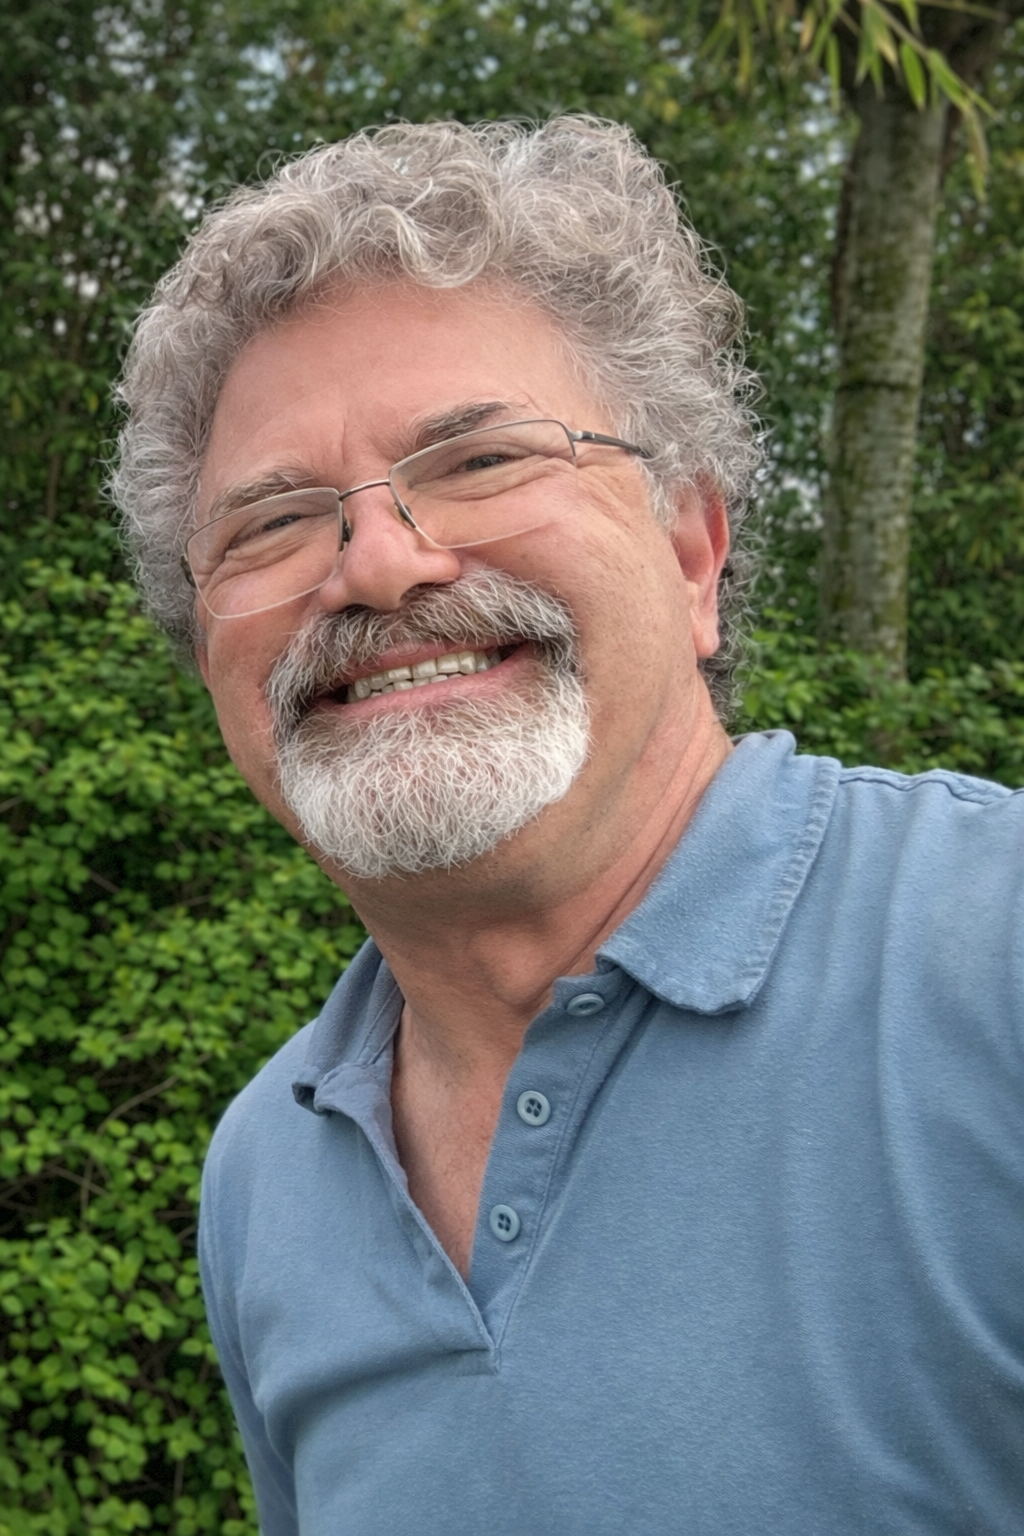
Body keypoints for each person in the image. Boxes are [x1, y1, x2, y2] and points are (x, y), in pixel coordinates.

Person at [112, 117, 1024, 1536]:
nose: (378, 562)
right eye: (273, 522)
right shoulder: (267, 1172)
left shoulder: (995, 959)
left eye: (478, 460)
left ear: (694, 549)